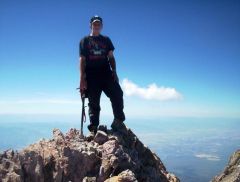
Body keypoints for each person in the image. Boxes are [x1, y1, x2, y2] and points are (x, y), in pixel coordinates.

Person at [79, 15, 126, 137]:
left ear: (101, 26)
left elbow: (111, 57)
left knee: (117, 94)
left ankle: (118, 121)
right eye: (94, 23)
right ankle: (93, 128)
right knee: (93, 102)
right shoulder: (84, 41)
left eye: (99, 24)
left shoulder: (106, 40)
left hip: (106, 73)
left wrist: (114, 71)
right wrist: (82, 78)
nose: (96, 25)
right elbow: (82, 60)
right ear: (90, 25)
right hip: (91, 75)